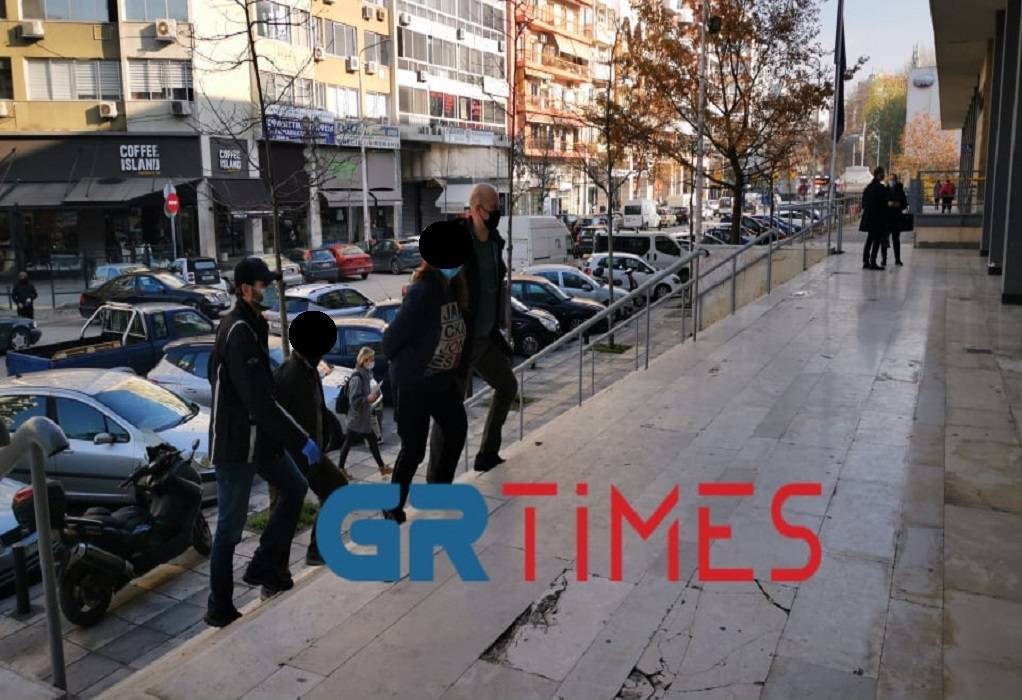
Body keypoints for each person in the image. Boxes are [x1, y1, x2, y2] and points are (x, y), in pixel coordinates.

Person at [205, 257, 313, 627]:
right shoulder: (238, 331)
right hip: (236, 445)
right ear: (245, 289)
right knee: (229, 530)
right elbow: (260, 402)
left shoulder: (250, 325)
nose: (267, 291)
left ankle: (265, 563)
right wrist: (301, 439)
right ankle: (219, 606)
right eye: (263, 285)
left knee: (295, 487)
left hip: (258, 438)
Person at [381, 220, 471, 524]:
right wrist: (416, 360)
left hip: (440, 380)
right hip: (414, 384)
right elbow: (390, 341)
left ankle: (440, 490)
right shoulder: (423, 291)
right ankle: (392, 507)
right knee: (414, 449)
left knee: (456, 428)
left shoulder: (452, 287)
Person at [428, 183, 517, 475]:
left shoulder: (495, 243)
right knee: (447, 412)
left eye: (499, 208)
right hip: (458, 342)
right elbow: (434, 283)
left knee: (507, 386)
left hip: (485, 338)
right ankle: (436, 482)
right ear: (477, 209)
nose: (497, 214)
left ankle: (487, 453)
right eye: (493, 209)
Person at [272, 311, 350, 567]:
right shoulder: (288, 375)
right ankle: (274, 567)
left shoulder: (310, 369)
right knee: (286, 510)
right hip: (294, 454)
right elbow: (275, 418)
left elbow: (317, 408)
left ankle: (317, 550)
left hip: (311, 452)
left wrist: (323, 437)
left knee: (336, 487)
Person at [336, 346, 392, 478]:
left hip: (362, 418)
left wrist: (373, 396)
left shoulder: (365, 374)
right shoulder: (357, 378)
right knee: (353, 443)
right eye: (371, 359)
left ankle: (381, 467)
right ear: (364, 360)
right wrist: (368, 398)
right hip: (357, 419)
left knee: (369, 442)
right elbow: (354, 401)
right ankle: (340, 469)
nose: (373, 362)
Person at [859, 167, 889, 270]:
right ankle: (873, 262)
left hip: (869, 218)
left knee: (869, 239)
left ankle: (865, 261)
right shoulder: (880, 188)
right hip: (878, 219)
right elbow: (885, 204)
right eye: (883, 174)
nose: (884, 175)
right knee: (877, 240)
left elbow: (863, 204)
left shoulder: (868, 187)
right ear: (879, 174)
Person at [887, 174, 908, 267]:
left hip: (896, 217)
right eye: (890, 179)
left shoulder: (900, 190)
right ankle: (884, 259)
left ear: (896, 180)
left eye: (893, 179)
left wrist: (898, 205)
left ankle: (897, 259)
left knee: (896, 239)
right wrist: (887, 204)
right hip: (887, 217)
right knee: (885, 239)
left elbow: (904, 204)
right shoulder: (885, 189)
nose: (891, 181)